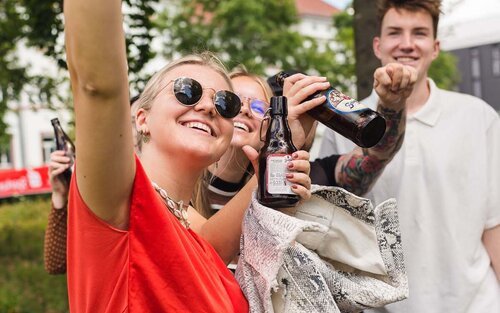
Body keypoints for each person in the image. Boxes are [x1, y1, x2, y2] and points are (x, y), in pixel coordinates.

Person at [64, 0, 312, 311]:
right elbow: (96, 85)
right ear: (142, 118)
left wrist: (281, 150)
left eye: (225, 104)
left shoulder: (195, 233)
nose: (209, 107)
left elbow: (209, 245)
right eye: (187, 90)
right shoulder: (118, 196)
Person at [318, 0, 500, 312]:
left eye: (418, 33)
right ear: (377, 45)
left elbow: (494, 225)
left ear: (435, 46)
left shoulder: (479, 118)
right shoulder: (341, 124)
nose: (406, 44)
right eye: (394, 33)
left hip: (477, 305)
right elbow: (331, 231)